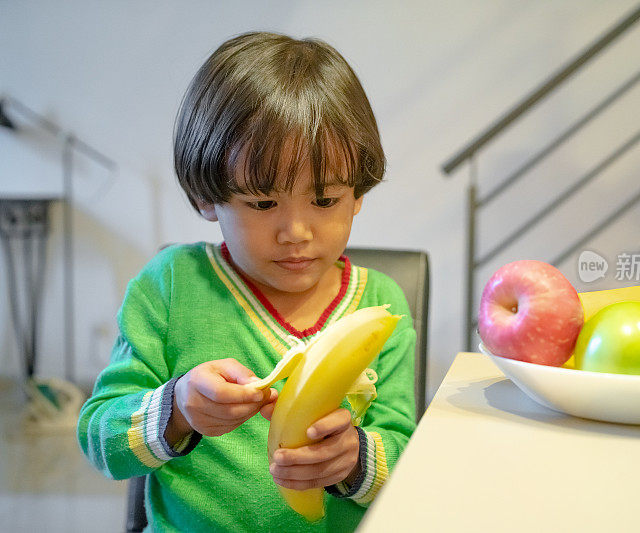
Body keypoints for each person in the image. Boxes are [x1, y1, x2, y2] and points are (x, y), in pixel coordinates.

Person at [77, 31, 417, 533]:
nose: (296, 233)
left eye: (325, 201)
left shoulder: (381, 305)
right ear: (207, 198)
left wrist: (354, 458)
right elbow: (100, 441)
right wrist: (176, 409)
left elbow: (409, 458)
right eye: (262, 203)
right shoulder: (170, 288)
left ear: (358, 193)